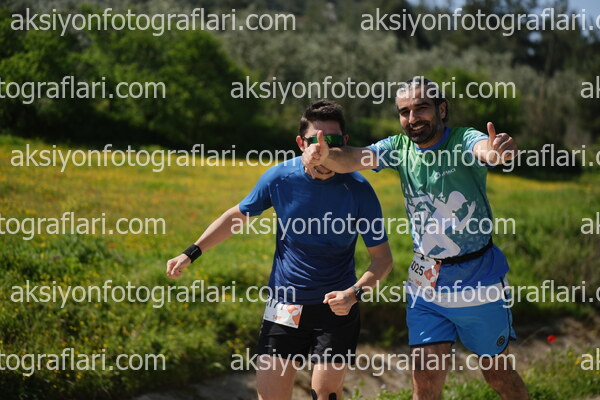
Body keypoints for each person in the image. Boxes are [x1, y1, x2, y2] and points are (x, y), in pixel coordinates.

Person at [302, 77, 529, 400]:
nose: (412, 118)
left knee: (497, 375)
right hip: (426, 284)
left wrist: (497, 152)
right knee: (424, 376)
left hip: (479, 282)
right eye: (404, 112)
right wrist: (324, 155)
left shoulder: (462, 139)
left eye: (421, 108)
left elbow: (485, 150)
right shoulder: (399, 148)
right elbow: (352, 158)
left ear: (441, 109)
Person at [166, 100, 393, 400]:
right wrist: (190, 252)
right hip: (285, 304)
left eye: (333, 141)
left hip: (336, 308)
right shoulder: (280, 178)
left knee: (325, 393)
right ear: (300, 143)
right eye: (314, 141)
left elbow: (382, 259)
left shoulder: (359, 190)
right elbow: (237, 216)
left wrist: (354, 294)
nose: (323, 149)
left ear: (346, 144)